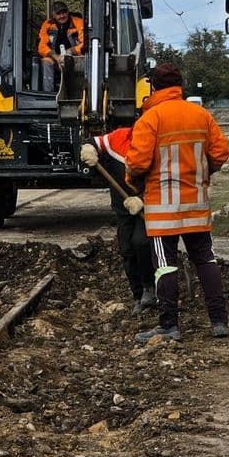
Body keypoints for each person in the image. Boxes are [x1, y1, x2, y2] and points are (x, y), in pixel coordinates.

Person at [126, 63, 229, 343]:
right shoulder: (200, 114)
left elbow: (137, 162)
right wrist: (203, 173)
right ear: (179, 85)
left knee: (165, 265)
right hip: (196, 205)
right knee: (205, 259)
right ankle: (219, 321)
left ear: (153, 87)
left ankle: (169, 325)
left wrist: (132, 180)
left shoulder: (150, 118)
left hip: (163, 211)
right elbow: (221, 152)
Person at [80, 127, 157, 316]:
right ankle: (138, 296)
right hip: (122, 209)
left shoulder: (154, 146)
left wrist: (143, 201)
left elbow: (162, 179)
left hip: (147, 208)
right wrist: (88, 148)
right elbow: (95, 142)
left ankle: (150, 288)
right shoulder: (118, 139)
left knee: (141, 243)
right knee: (126, 249)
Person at [37, 1, 84, 92]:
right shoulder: (47, 25)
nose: (62, 16)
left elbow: (85, 43)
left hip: (75, 57)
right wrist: (56, 56)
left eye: (64, 12)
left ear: (68, 11)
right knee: (46, 61)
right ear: (53, 15)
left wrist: (71, 51)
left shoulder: (79, 22)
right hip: (55, 58)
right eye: (58, 14)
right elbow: (41, 46)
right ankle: (49, 95)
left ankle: (81, 93)